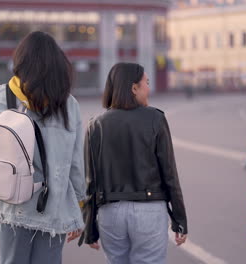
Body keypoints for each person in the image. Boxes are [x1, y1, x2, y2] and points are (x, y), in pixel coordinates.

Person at [0, 31, 86, 264]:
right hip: (52, 207)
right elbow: (75, 163)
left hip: (12, 202)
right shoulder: (68, 104)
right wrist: (78, 207)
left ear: (22, 62)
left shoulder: (5, 96)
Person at [80, 62, 188, 264]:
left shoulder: (95, 124)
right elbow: (169, 174)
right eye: (146, 82)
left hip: (110, 212)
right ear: (133, 88)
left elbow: (91, 181)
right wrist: (180, 220)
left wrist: (89, 228)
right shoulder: (155, 118)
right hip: (148, 210)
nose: (149, 87)